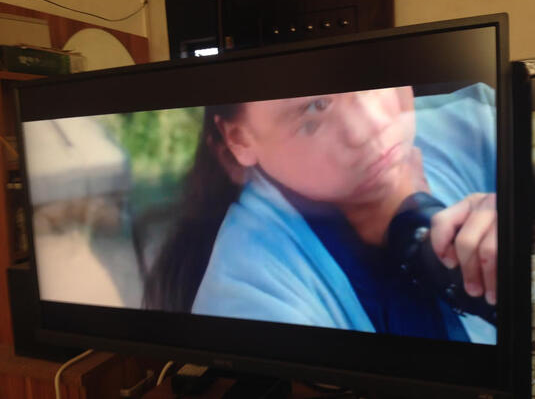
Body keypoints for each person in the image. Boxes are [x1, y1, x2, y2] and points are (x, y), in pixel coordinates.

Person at [144, 83, 497, 344]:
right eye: (316, 107)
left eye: (372, 80)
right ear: (240, 138)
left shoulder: (477, 120)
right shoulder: (246, 297)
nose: (372, 125)